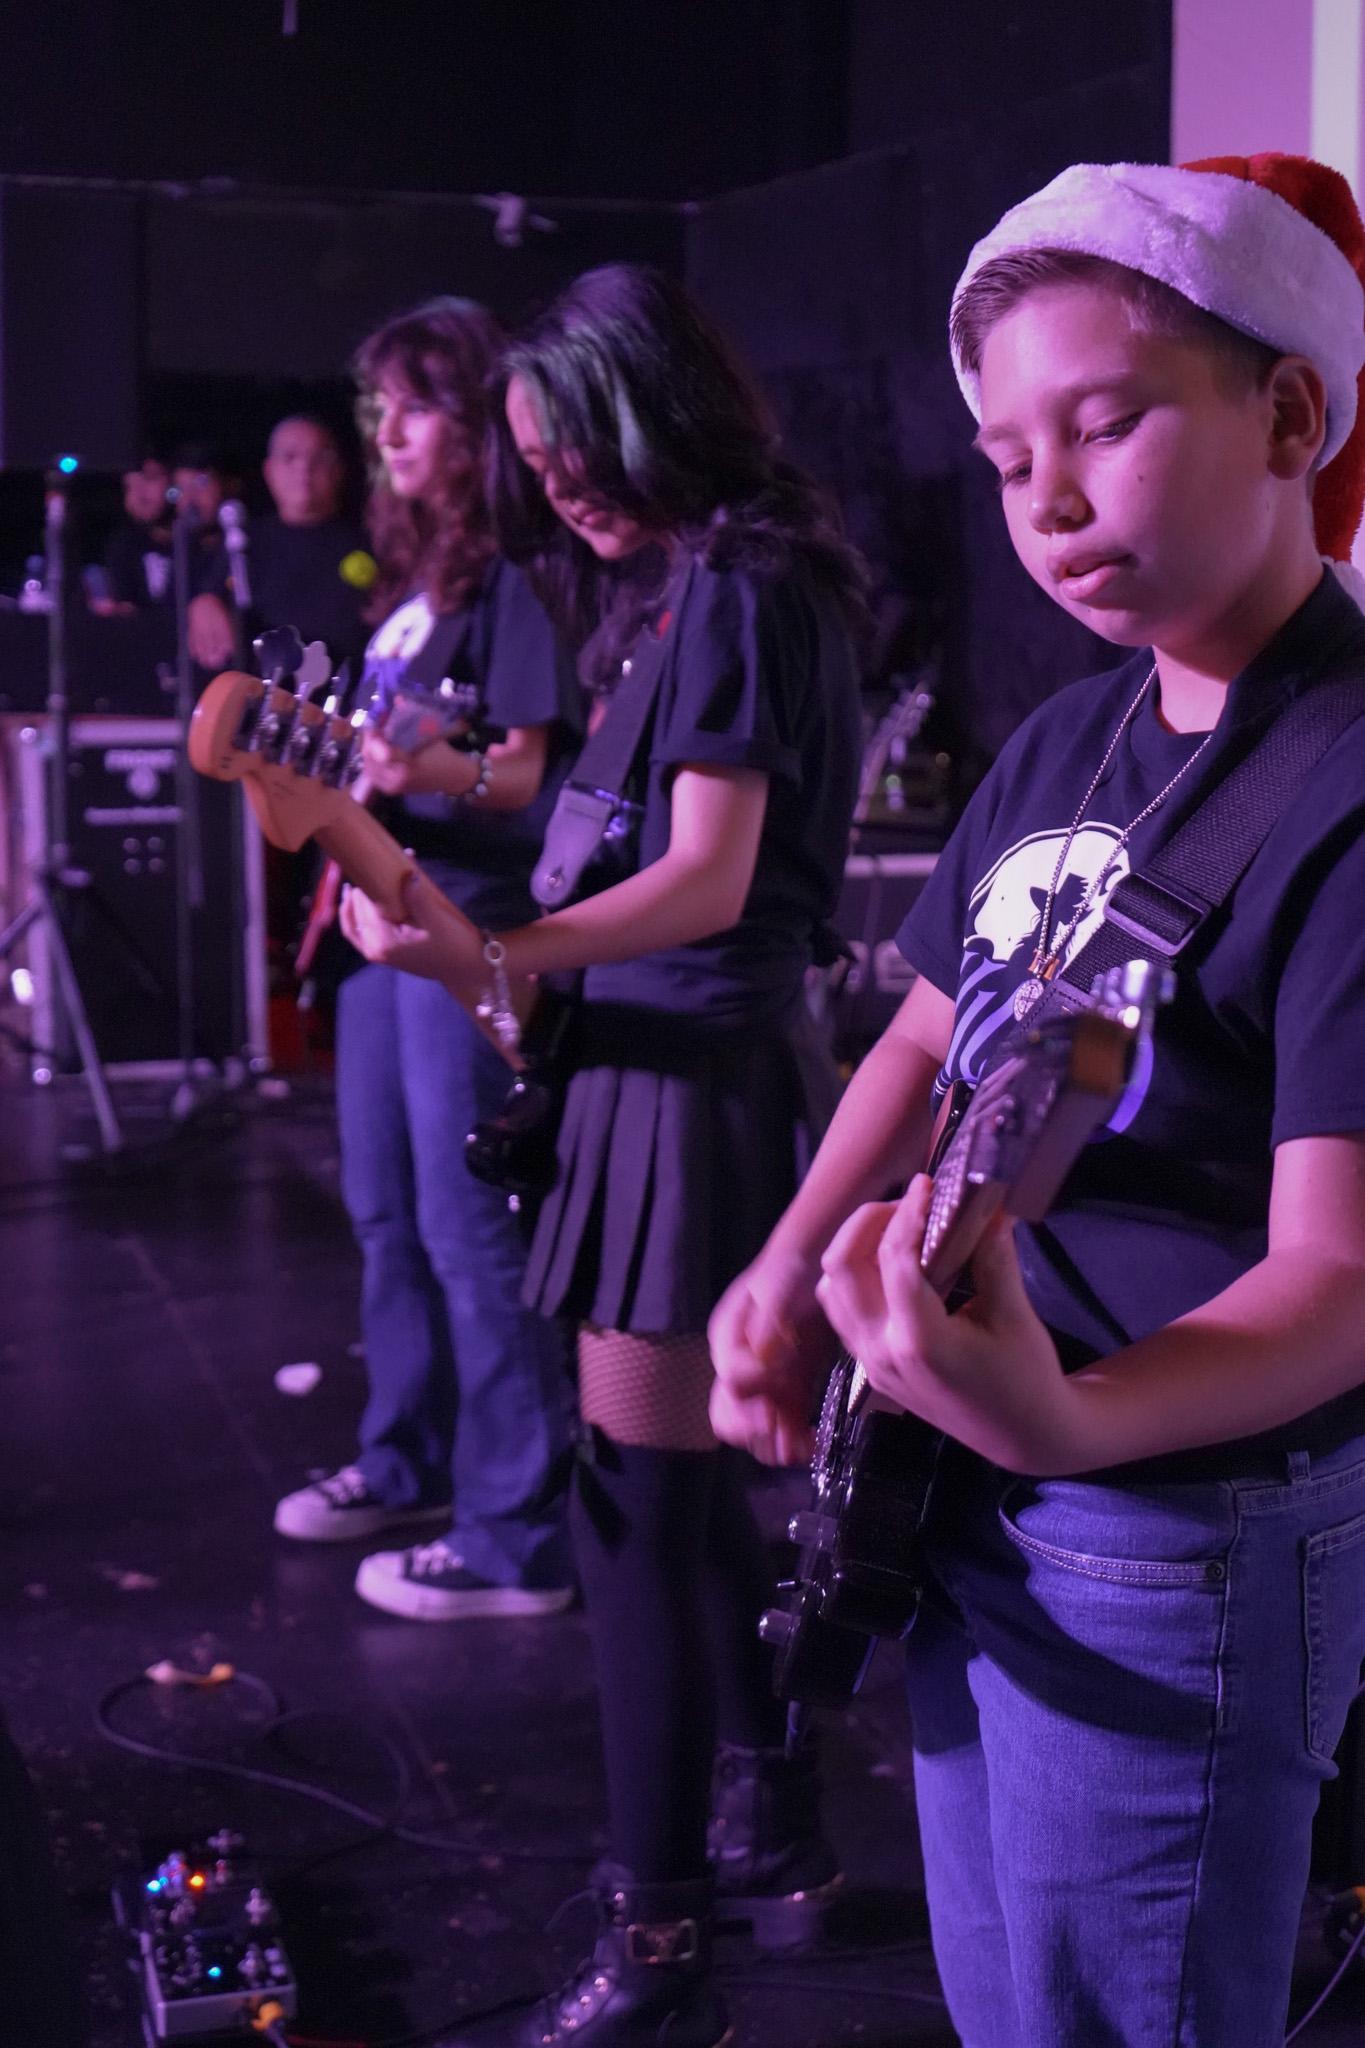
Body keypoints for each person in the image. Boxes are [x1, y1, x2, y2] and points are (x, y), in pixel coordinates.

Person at [708, 153, 1365, 2048]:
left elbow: (1341, 1269)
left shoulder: (1348, 774)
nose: (1049, 502)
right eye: (1007, 459)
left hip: (1171, 1518)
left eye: (1107, 424)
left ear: (1293, 416)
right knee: (1016, 2003)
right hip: (967, 1452)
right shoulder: (1076, 730)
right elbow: (928, 1030)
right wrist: (782, 1261)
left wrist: (1075, 1422)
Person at [341, 263, 867, 2046]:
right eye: (533, 459)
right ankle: (764, 1822)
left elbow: (711, 883)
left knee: (638, 1510)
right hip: (675, 1073)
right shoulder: (724, 584)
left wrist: (485, 953)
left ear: (654, 408)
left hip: (690, 1086)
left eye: (571, 448)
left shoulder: (730, 588)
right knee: (674, 1495)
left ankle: (659, 1942)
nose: (554, 484)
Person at [274, 298, 580, 1630]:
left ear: (475, 424)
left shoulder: (515, 572)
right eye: (375, 408)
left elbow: (531, 769)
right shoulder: (409, 585)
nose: (384, 431)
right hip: (377, 910)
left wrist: (421, 767)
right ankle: (409, 1460)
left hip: (459, 914)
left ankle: (517, 1531)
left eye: (414, 406)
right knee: (389, 1216)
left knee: (466, 1228)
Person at [190, 414, 373, 671]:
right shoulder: (243, 542)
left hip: (347, 698)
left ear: (339, 470)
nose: (304, 469)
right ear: (269, 471)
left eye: (319, 458)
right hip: (261, 698)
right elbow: (209, 596)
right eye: (290, 458)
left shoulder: (370, 543)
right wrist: (204, 603)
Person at [97, 452, 174, 609]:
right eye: (129, 486)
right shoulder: (123, 546)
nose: (138, 493)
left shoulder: (198, 545)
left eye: (149, 478)